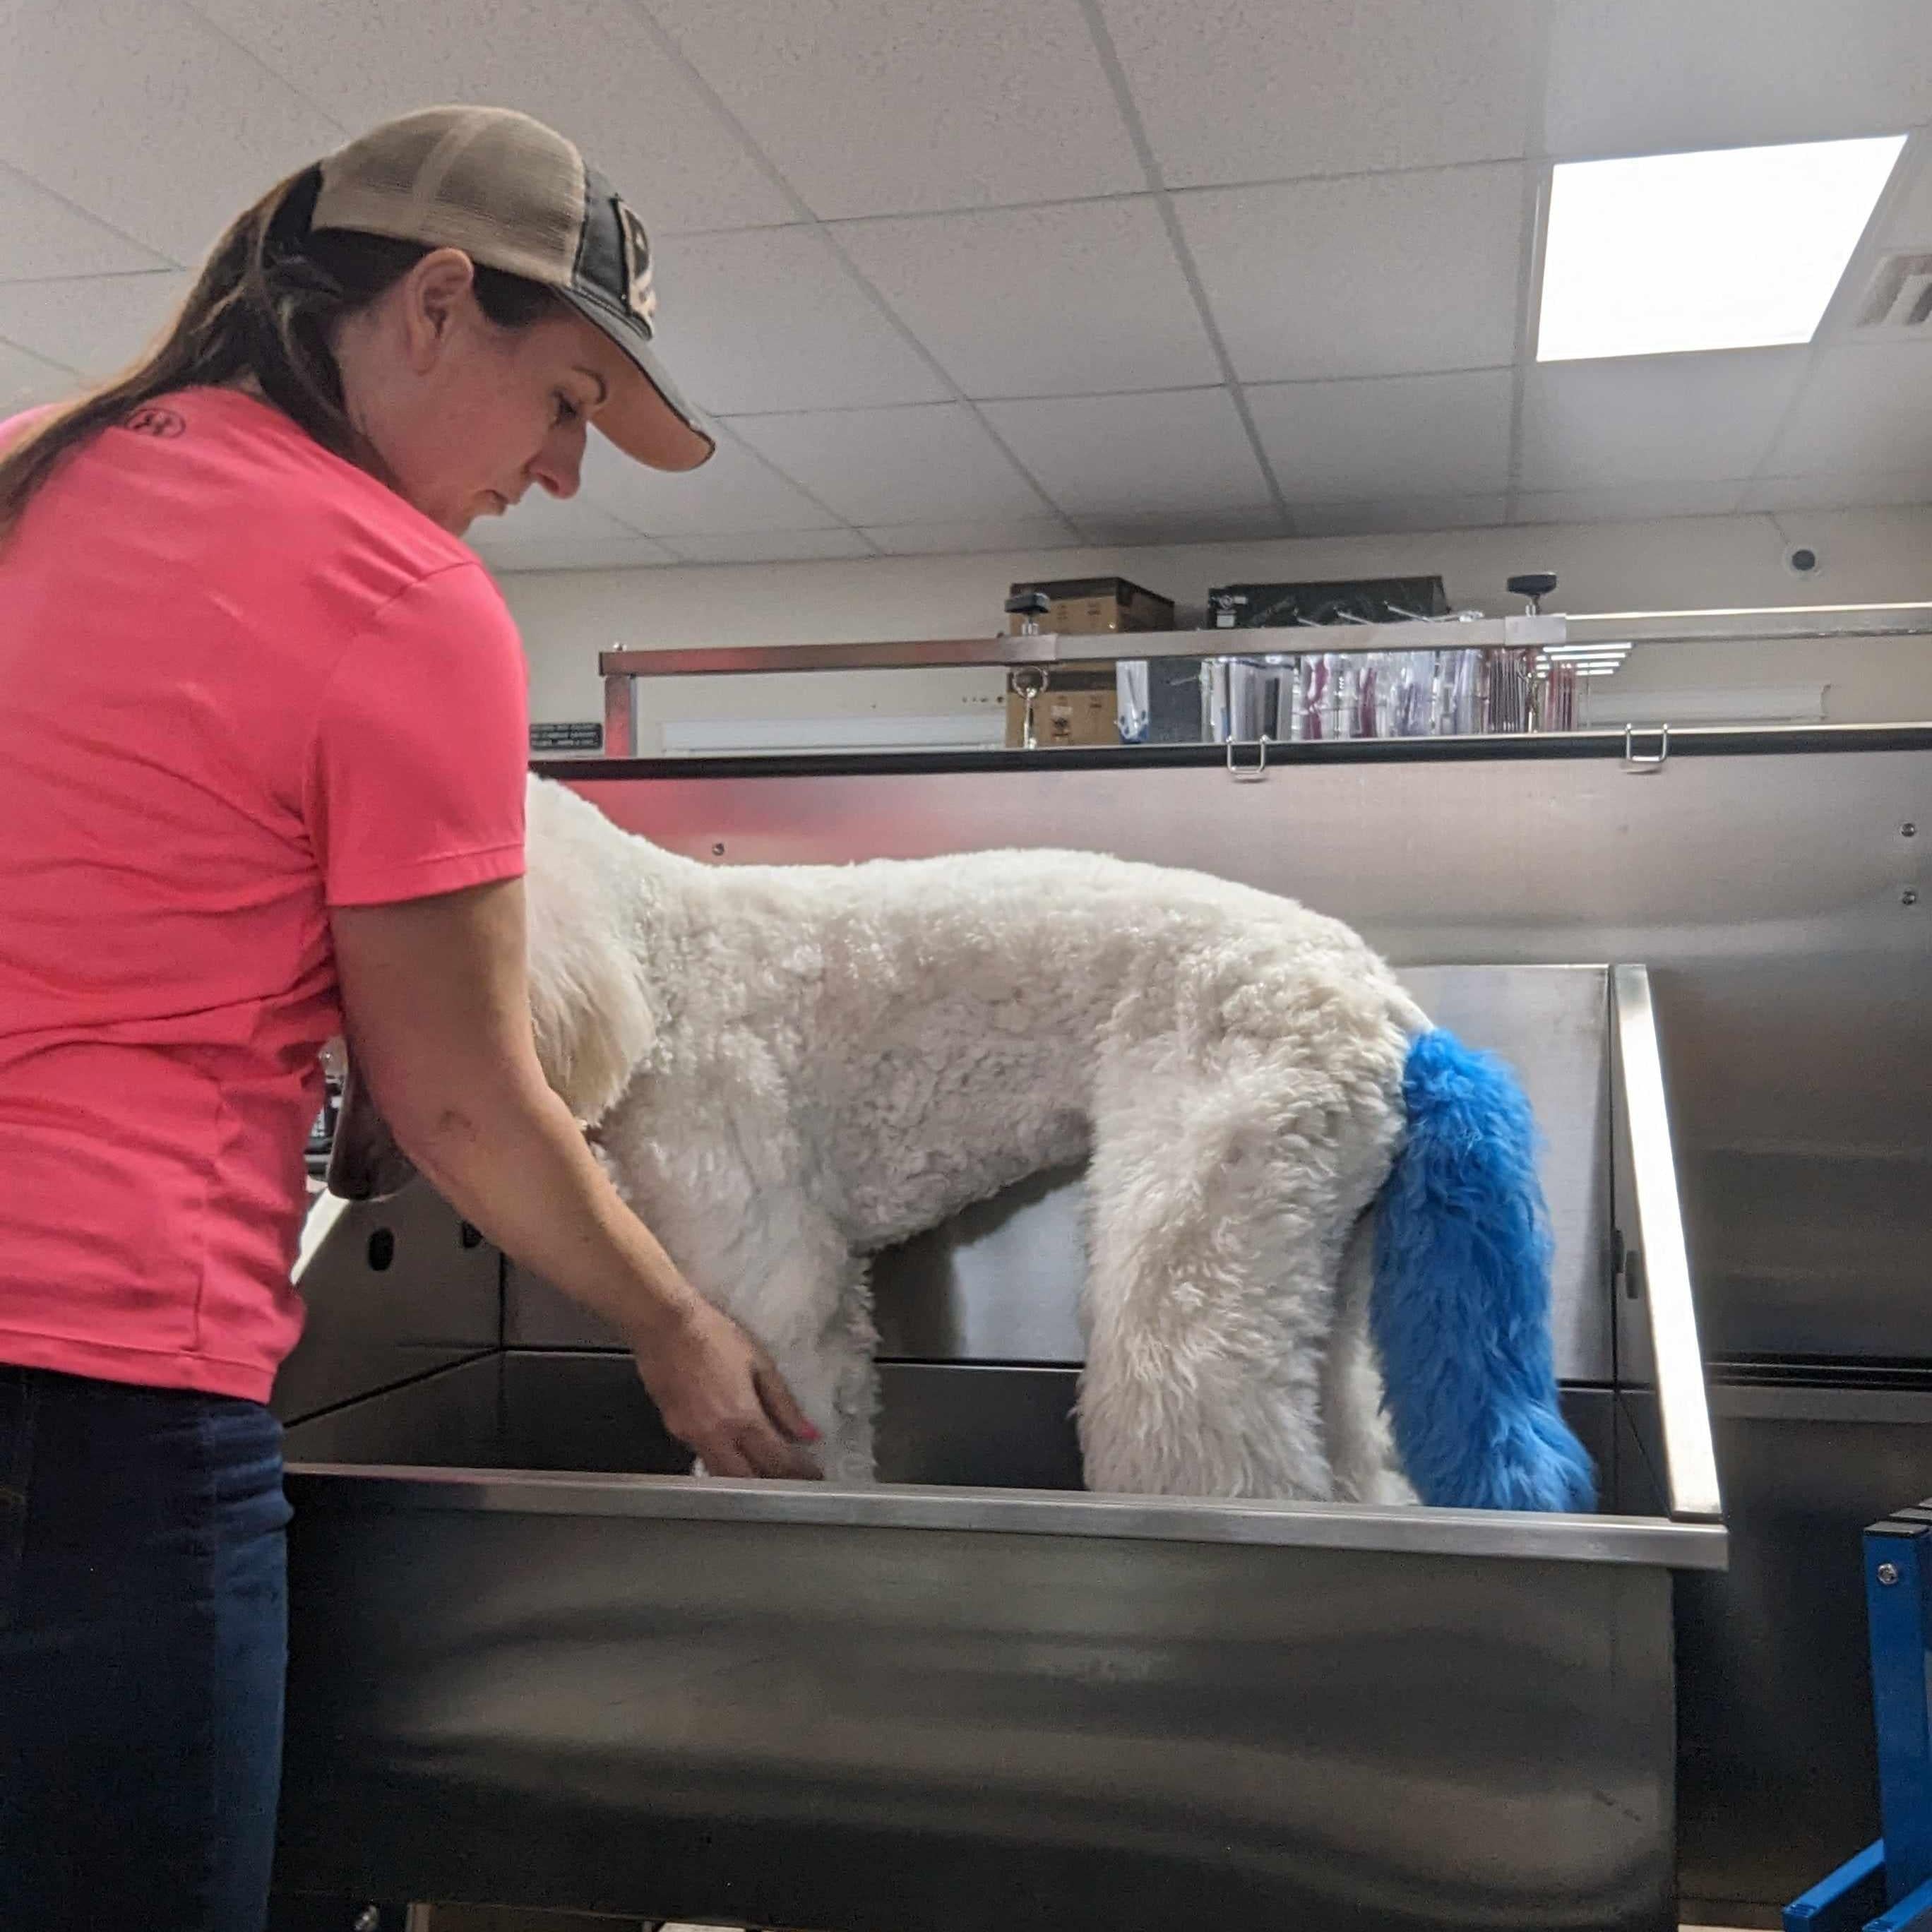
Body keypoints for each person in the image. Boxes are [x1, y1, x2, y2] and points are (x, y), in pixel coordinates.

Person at [0, 105, 820, 1932]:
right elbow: (462, 1102)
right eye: (568, 404)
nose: (563, 477)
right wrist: (674, 1323)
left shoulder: (21, 471)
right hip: (97, 1399)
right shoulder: (402, 593)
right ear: (436, 302)